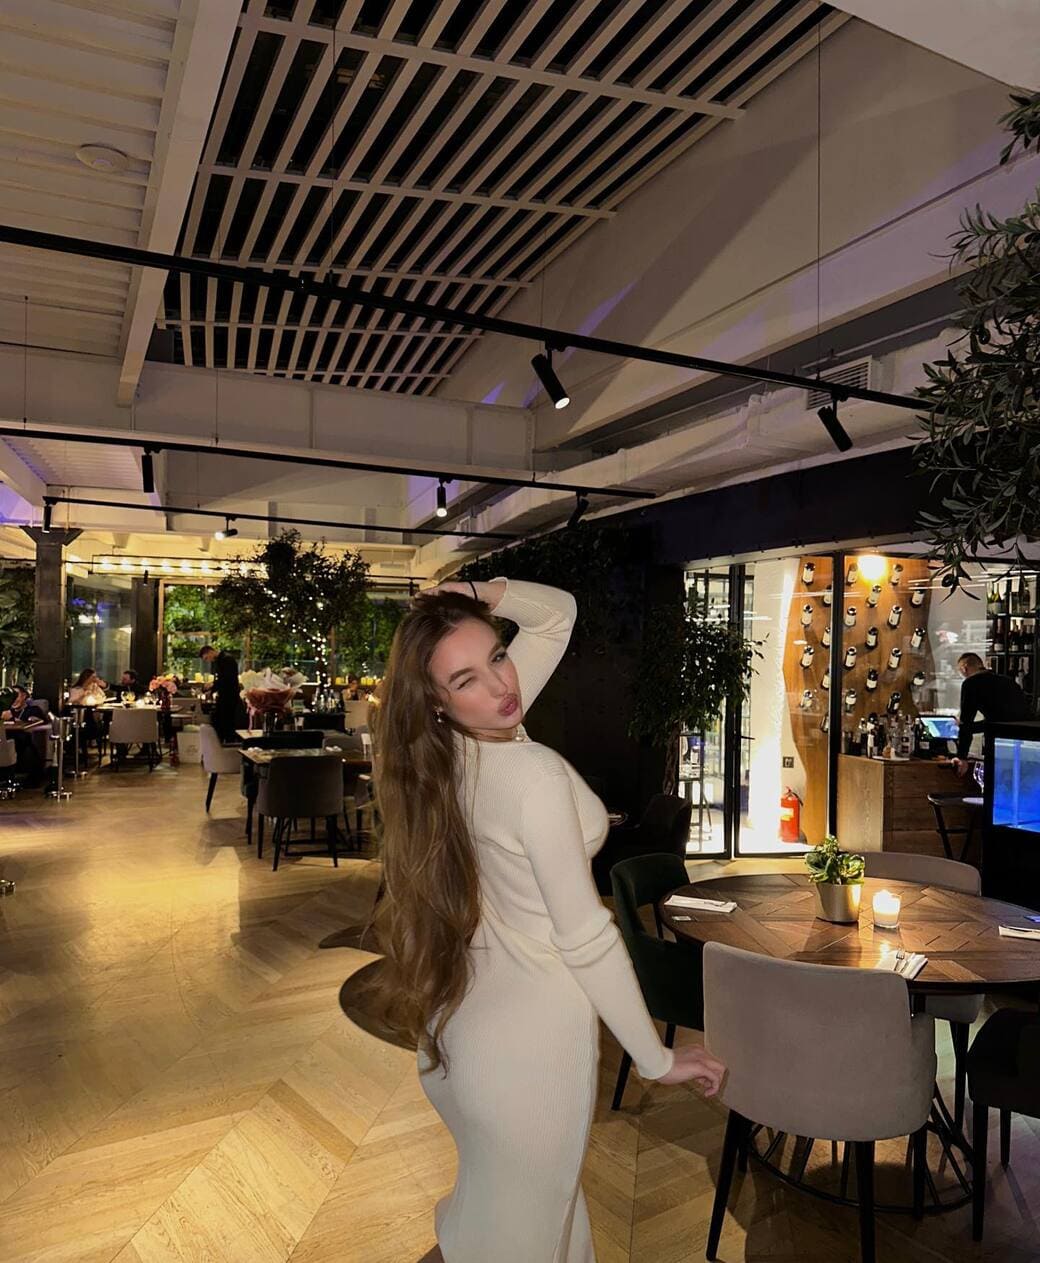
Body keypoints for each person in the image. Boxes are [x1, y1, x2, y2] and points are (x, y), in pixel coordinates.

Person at [366, 577, 725, 1263]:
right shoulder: (529, 774)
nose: (503, 684)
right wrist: (655, 1058)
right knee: (513, 1241)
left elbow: (557, 617)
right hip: (532, 1049)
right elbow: (586, 936)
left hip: (464, 1028)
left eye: (498, 656)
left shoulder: (448, 750)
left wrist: (472, 593)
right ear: (438, 701)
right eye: (467, 678)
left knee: (512, 1228)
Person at [952, 651, 1031, 776]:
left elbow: (966, 722)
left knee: (996, 781)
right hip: (1025, 743)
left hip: (998, 745)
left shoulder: (970, 684)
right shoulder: (1008, 681)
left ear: (964, 668)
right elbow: (1004, 719)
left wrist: (962, 756)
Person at [1, 684, 48, 785]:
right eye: (11, 697)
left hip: (22, 744)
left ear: (24, 696)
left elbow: (38, 722)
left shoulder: (33, 710)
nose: (14, 700)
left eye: (16, 696)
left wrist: (12, 719)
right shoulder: (5, 711)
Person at [200, 645, 243, 743]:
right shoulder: (221, 660)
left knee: (226, 721)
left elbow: (226, 679)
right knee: (222, 721)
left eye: (206, 658)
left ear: (210, 652)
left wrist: (212, 686)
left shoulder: (226, 660)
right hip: (225, 695)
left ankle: (227, 743)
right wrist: (213, 688)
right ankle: (224, 742)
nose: (208, 661)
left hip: (229, 696)